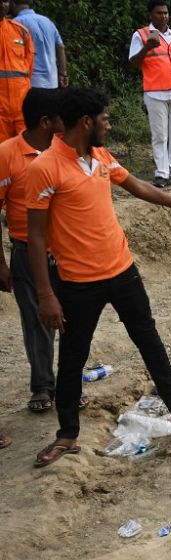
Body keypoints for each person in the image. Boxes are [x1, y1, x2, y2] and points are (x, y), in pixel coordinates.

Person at [25, 88, 171, 467]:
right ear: (86, 122)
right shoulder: (45, 168)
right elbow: (34, 236)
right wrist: (46, 294)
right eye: (106, 119)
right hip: (78, 283)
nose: (109, 125)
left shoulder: (99, 156)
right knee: (73, 358)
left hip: (122, 269)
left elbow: (137, 186)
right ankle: (67, 435)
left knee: (148, 337)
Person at [0, 88, 68, 417]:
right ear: (45, 122)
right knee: (37, 320)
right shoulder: (7, 155)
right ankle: (43, 385)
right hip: (27, 252)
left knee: (71, 319)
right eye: (60, 118)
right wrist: (1, 263)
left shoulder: (65, 149)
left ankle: (68, 385)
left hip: (68, 250)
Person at [129, 0, 171, 188]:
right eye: (159, 13)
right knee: (160, 135)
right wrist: (147, 47)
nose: (163, 16)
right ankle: (161, 173)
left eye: (166, 13)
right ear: (151, 15)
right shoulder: (141, 35)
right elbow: (134, 62)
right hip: (155, 90)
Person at [11, 2, 66, 88]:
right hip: (52, 82)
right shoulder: (47, 21)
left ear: (13, 4)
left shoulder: (16, 23)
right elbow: (60, 47)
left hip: (32, 83)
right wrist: (63, 74)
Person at [0, 1, 33, 140]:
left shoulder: (21, 32)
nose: (3, 5)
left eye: (6, 0)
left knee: (25, 151)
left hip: (21, 109)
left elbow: (29, 68)